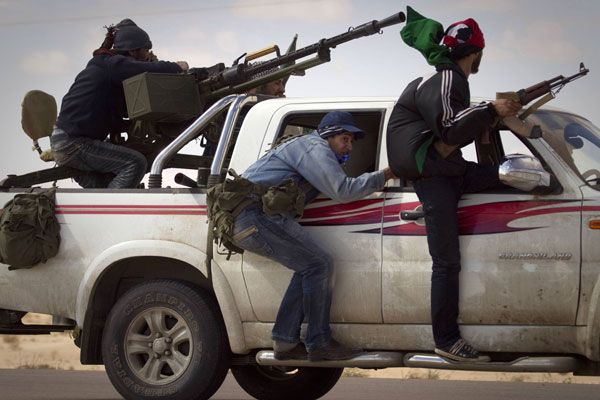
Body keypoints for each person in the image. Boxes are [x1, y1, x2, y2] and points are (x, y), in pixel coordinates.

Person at [386, 8, 522, 362]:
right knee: (446, 263)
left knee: (514, 177)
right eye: (480, 54)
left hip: (450, 170)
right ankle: (446, 338)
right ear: (475, 53)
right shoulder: (447, 78)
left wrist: (487, 115)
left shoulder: (449, 80)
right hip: (434, 179)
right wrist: (490, 110)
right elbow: (449, 128)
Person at [231, 111, 395, 361]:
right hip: (254, 216)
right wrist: (385, 175)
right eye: (345, 139)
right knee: (319, 264)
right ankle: (319, 343)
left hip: (252, 217)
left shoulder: (310, 148)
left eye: (351, 141)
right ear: (329, 134)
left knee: (310, 266)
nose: (349, 146)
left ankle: (285, 342)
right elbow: (342, 189)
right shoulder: (314, 148)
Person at [50, 19, 189, 188]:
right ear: (132, 51)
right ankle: (112, 212)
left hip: (67, 142)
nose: (149, 54)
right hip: (73, 143)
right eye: (146, 50)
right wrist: (177, 66)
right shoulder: (113, 65)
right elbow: (149, 70)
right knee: (135, 163)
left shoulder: (108, 68)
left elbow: (125, 109)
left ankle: (104, 211)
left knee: (102, 188)